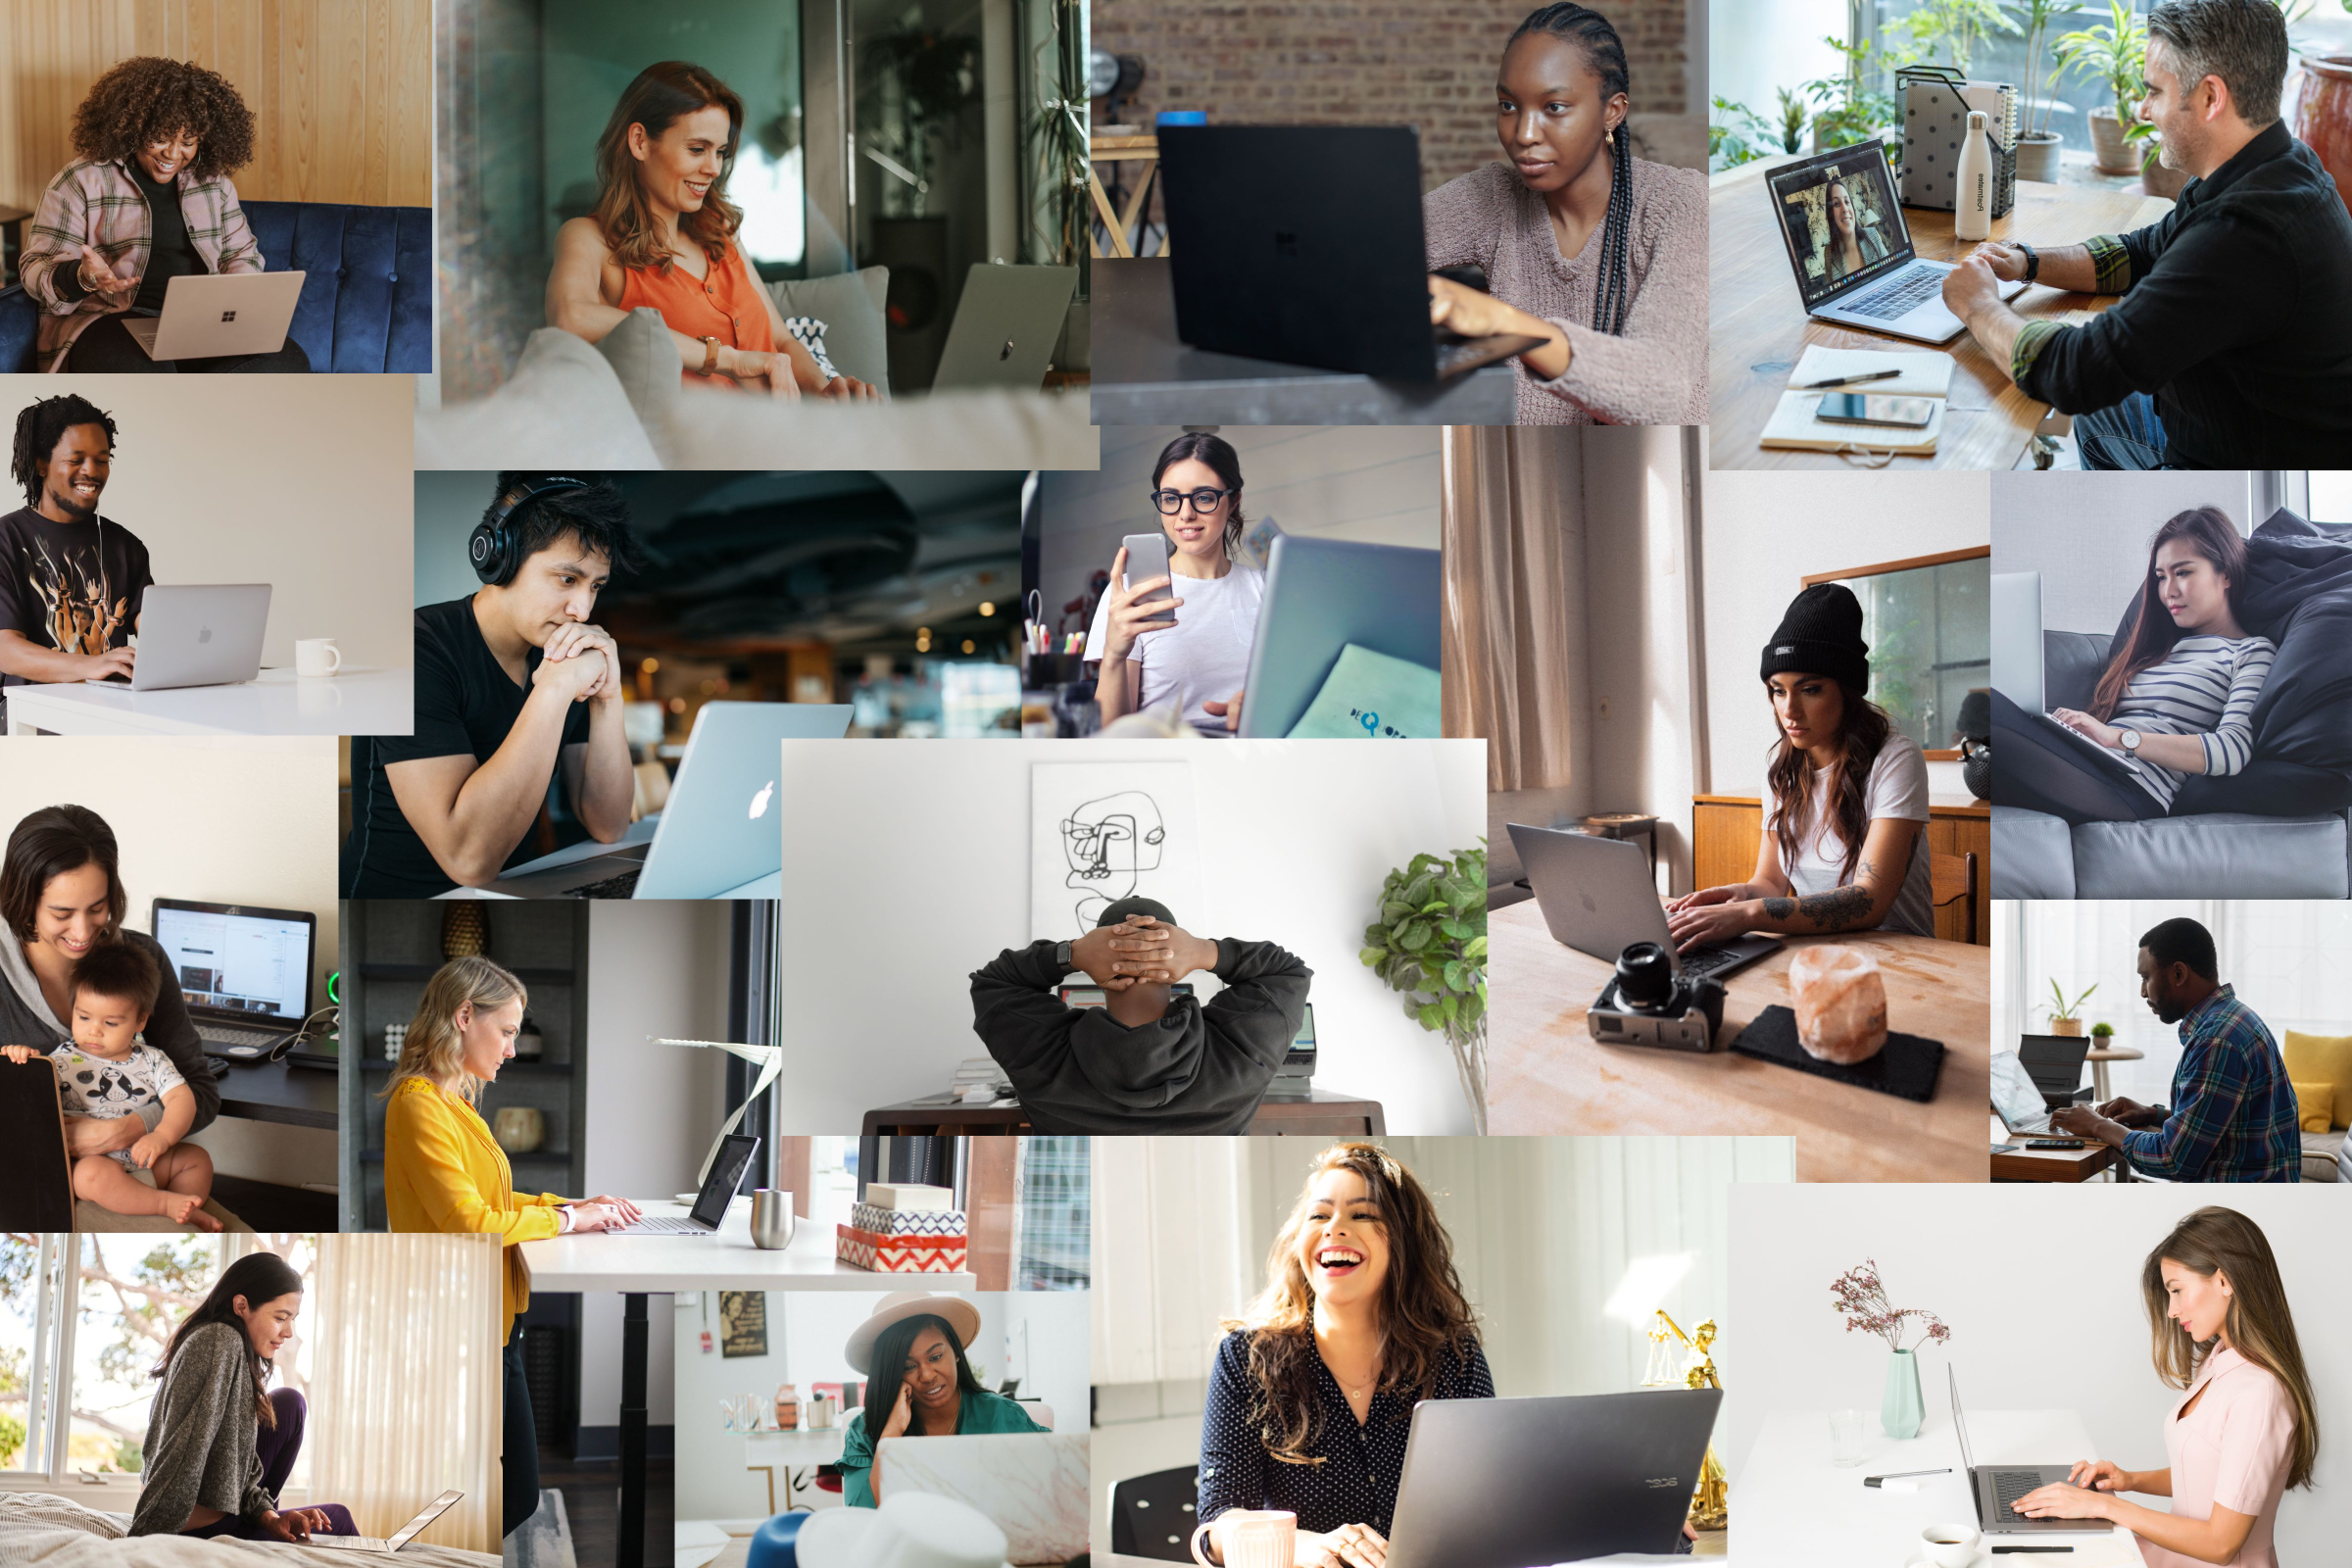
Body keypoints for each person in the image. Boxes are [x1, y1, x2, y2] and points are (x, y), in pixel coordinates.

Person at [1939, 0, 2352, 467]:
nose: (2143, 108)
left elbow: (2074, 373)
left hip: (2238, 478)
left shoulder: (2243, 236)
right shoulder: (2275, 165)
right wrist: (2028, 261)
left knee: (2080, 396)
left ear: (2210, 98)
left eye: (2154, 91)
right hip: (2242, 422)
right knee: (2105, 403)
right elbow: (2140, 253)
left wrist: (1978, 305)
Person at [379, 956, 644, 1539]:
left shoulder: (454, 1103)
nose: (512, 1049)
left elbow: (492, 1196)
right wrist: (568, 1220)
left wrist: (573, 1207)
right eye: (506, 1031)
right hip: (459, 1324)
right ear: (464, 1015)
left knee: (501, 1494)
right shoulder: (419, 1104)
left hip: (496, 1321)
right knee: (511, 1496)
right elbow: (470, 1218)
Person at [341, 474, 641, 897]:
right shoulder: (414, 650)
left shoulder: (560, 653)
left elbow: (608, 825)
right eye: (567, 579)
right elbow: (468, 860)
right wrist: (553, 690)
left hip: (513, 891)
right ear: (500, 559)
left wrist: (608, 699)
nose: (583, 608)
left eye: (596, 586)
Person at [1199, 1143, 1493, 1568]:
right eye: (1318, 1215)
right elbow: (1218, 1525)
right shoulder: (1246, 1359)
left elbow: (1489, 1502)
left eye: (1363, 1214)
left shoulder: (1454, 1356)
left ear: (1404, 1243)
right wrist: (1304, 1546)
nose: (1334, 1228)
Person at [1420, 4, 1706, 425]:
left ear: (1613, 111)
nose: (1524, 134)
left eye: (1554, 107)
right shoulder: (1494, 196)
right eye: (1508, 106)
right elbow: (1371, 250)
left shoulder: (1679, 203)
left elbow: (1659, 392)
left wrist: (1504, 322)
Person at [2009, 1205, 2317, 1568]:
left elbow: (2221, 1544)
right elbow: (2210, 1473)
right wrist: (2129, 1480)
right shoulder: (2217, 1361)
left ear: (2224, 1281)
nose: (2171, 1310)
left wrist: (2102, 1505)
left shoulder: (2259, 1394)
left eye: (2176, 1290)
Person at [546, 62, 875, 399]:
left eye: (720, 152)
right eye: (697, 149)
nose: (713, 168)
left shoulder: (720, 232)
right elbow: (570, 316)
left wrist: (828, 392)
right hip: (704, 443)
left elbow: (780, 340)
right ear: (640, 142)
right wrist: (727, 359)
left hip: (787, 432)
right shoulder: (588, 238)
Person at [1665, 583, 1934, 950]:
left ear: (1847, 691)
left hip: (1901, 959)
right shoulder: (1781, 772)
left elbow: (1868, 900)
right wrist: (1735, 896)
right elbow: (1770, 885)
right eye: (1778, 690)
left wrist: (1748, 914)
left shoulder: (1896, 759)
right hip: (1815, 953)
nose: (1789, 710)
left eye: (1810, 690)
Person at [17, 57, 309, 374]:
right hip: (111, 321)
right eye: (161, 137)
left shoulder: (215, 185)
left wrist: (235, 303)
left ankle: (200, 412)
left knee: (288, 361)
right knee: (147, 377)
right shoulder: (81, 180)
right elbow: (35, 270)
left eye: (187, 142)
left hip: (198, 326)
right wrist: (81, 277)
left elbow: (241, 255)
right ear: (134, 127)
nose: (172, 154)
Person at [1990, 508, 2274, 824]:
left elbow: (2231, 751)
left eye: (2183, 573)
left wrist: (2119, 738)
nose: (2169, 592)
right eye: (2161, 577)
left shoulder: (2250, 652)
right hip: (2095, 766)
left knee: (1990, 712)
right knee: (1988, 725)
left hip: (2137, 791)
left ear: (2226, 574)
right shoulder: (2160, 648)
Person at [967, 897, 1311, 1135]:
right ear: (1176, 959)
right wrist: (1205, 951)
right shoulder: (1241, 1053)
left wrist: (1070, 954)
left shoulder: (1042, 1055)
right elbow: (1288, 973)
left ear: (1093, 963)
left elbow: (994, 982)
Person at [0, 805, 218, 1153]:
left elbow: (201, 1091)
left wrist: (129, 1128)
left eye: (97, 908)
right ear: (24, 902)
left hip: (135, 1169)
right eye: (62, 913)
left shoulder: (142, 960)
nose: (83, 931)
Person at [2049, 918, 2301, 1182]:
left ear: (2178, 974)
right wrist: (2155, 1115)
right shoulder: (2235, 1018)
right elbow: (2224, 1124)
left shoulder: (2216, 1040)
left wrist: (2097, 1125)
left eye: (2146, 977)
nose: (2143, 992)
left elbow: (2173, 1159)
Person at [130, 1250, 359, 1541]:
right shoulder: (218, 1341)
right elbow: (184, 1447)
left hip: (226, 1511)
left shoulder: (226, 1345)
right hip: (203, 1527)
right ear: (241, 1306)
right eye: (280, 1318)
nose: (288, 1332)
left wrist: (270, 1517)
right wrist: (146, 1537)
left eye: (292, 1319)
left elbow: (233, 1459)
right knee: (339, 1518)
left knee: (288, 1404)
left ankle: (267, 1521)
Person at [3, 940, 217, 1231]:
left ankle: (184, 1207)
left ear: (140, 1020)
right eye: (83, 1016)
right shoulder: (63, 1059)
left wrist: (162, 1137)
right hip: (100, 1169)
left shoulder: (153, 1060)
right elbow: (31, 1100)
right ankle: (164, 1205)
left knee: (197, 1160)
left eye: (111, 1023)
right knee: (88, 1175)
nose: (94, 1030)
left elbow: (183, 1098)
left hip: (148, 1160)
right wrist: (23, 1060)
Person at [1085, 433, 1264, 736]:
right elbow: (1111, 735)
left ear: (1233, 501)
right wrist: (1114, 654)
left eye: (1204, 497)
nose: (1185, 514)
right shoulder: (1132, 594)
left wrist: (1264, 706)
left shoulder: (1266, 589)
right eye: (1171, 498)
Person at [0, 395, 149, 723]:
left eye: (102, 459)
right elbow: (5, 650)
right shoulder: (6, 540)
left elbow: (155, 628)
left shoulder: (126, 546)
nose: (91, 472)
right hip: (35, 719)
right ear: (42, 464)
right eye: (76, 459)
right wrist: (92, 666)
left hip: (116, 715)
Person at [833, 1293, 1051, 1508]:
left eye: (936, 1357)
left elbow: (1054, 1487)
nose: (927, 1375)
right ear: (892, 1375)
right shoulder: (864, 1432)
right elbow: (861, 1519)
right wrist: (891, 1433)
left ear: (955, 1352)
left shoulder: (1001, 1414)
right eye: (908, 1367)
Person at [1816, 175, 1891, 285]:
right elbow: (1833, 292)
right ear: (1831, 213)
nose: (1845, 209)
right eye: (1836, 204)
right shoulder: (1829, 253)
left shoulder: (1872, 235)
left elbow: (1892, 270)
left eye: (1847, 202)